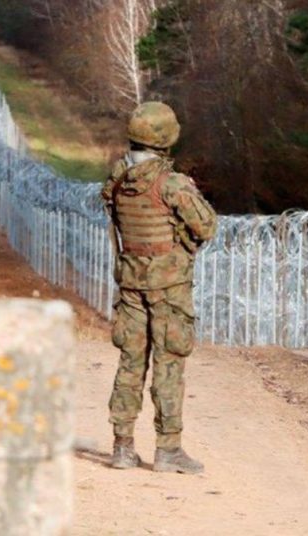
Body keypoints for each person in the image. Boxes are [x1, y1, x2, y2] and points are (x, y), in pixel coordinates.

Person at [102, 101, 217, 474]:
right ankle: (168, 449)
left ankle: (122, 447)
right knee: (168, 363)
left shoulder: (119, 180)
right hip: (169, 287)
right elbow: (207, 226)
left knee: (130, 362)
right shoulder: (172, 184)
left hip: (131, 283)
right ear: (166, 139)